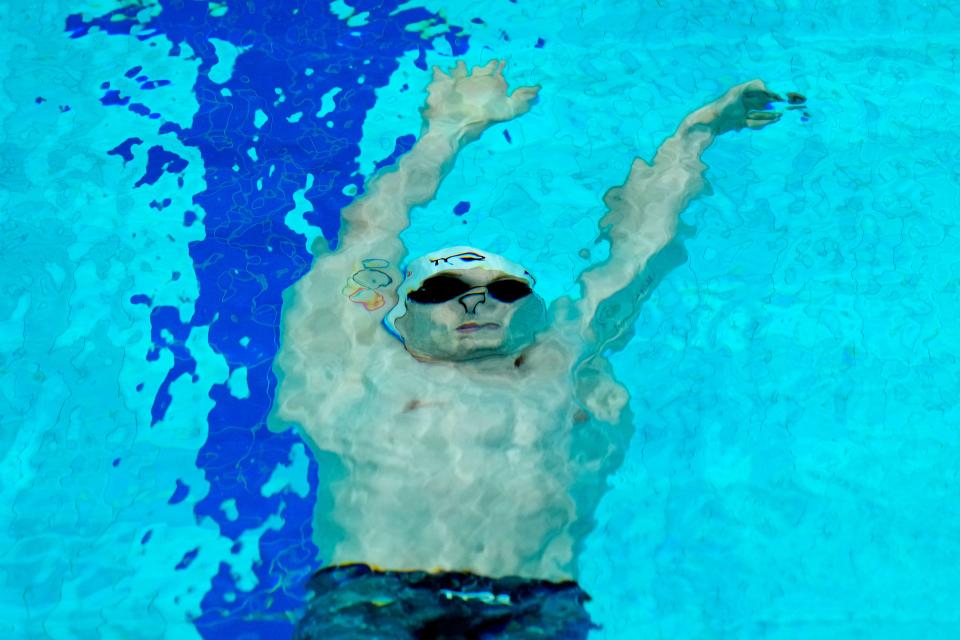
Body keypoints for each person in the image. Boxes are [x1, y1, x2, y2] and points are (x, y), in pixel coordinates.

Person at [273, 60, 801, 638]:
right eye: (445, 291)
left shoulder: (565, 360)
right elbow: (365, 241)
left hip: (531, 605)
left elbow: (640, 246)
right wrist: (445, 131)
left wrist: (699, 131)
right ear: (404, 311)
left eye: (502, 290)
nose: (475, 304)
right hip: (376, 598)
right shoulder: (364, 367)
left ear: (531, 309)